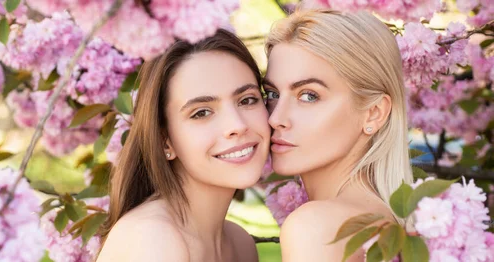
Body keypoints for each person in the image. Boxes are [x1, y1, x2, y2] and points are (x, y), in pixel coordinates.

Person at [96, 29, 269, 262]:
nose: (237, 125)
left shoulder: (240, 244)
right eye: (202, 113)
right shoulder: (153, 240)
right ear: (164, 140)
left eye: (247, 100)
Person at [263, 9, 413, 261]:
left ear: (373, 113)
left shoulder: (316, 226)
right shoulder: (393, 222)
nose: (275, 118)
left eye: (309, 96)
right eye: (273, 94)